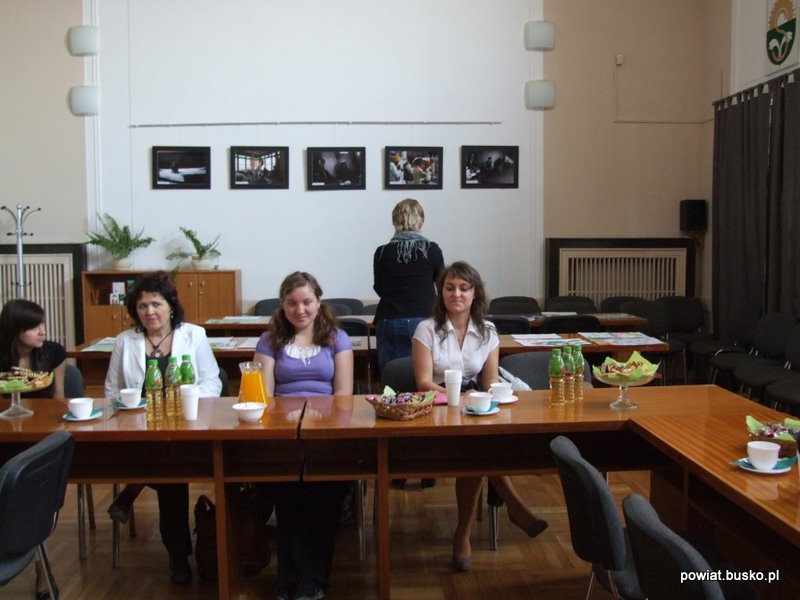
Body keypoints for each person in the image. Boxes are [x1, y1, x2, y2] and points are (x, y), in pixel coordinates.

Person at [412, 261, 548, 572]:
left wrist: (486, 398)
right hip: (437, 408)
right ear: (441, 293)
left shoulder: (487, 331)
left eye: (464, 288)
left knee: (476, 444)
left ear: (475, 293)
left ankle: (463, 533)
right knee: (474, 447)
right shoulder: (426, 329)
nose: (456, 294)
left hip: (475, 408)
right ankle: (511, 507)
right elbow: (423, 383)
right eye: (449, 288)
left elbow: (489, 380)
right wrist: (459, 399)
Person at [104, 271, 221, 585]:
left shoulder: (193, 335)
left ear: (171, 306)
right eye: (142, 306)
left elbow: (212, 382)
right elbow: (112, 390)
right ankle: (178, 554)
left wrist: (183, 403)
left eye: (156, 304)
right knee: (170, 471)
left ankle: (135, 491)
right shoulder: (125, 341)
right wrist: (132, 407)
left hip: (185, 424)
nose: (149, 311)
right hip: (138, 427)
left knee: (170, 467)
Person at [253, 271, 353, 600]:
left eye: (307, 302)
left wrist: (319, 419)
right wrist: (286, 420)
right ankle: (288, 580)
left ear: (319, 302)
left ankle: (313, 580)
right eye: (292, 303)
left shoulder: (337, 338)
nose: (300, 310)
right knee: (289, 501)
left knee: (323, 499)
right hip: (283, 433)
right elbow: (264, 396)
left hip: (327, 433)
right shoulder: (270, 340)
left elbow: (344, 395)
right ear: (282, 305)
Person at [0, 299, 66, 600]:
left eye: (42, 324)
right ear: (14, 330)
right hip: (5, 437)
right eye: (33, 326)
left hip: (41, 440)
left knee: (39, 495)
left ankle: (42, 570)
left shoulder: (52, 353)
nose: (42, 331)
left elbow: (59, 399)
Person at [373, 198, 444, 372]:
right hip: (425, 318)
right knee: (426, 376)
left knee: (391, 377)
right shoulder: (432, 250)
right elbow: (442, 286)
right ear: (421, 221)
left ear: (394, 221)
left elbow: (379, 287)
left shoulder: (382, 252)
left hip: (389, 319)